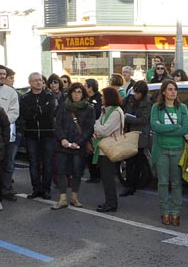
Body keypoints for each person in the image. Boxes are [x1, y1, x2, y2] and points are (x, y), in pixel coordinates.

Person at [150, 79, 188, 225]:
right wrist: (175, 128)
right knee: (162, 182)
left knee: (176, 183)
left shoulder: (182, 108)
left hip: (178, 149)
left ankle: (176, 212)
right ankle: (164, 212)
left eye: (175, 89)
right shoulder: (156, 108)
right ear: (163, 92)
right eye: (170, 89)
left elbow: (185, 129)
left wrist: (165, 129)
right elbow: (155, 126)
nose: (173, 92)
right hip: (161, 150)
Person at [52, 82, 94, 210]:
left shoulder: (89, 108)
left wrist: (79, 142)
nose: (76, 94)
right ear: (70, 93)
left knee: (77, 171)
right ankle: (62, 198)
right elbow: (57, 124)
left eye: (79, 92)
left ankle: (74, 197)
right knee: (61, 171)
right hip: (63, 144)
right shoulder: (64, 107)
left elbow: (89, 128)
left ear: (83, 94)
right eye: (74, 92)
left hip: (78, 145)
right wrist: (63, 138)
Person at [21, 72, 56, 199]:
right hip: (31, 134)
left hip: (47, 134)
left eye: (40, 80)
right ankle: (36, 188)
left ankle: (46, 189)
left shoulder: (49, 95)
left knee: (47, 162)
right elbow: (27, 115)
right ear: (30, 83)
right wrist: (40, 110)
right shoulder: (25, 98)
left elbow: (50, 110)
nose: (38, 82)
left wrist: (36, 110)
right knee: (33, 163)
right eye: (35, 80)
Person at [0, 64, 20, 200]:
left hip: (7, 133)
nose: (2, 76)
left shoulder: (11, 92)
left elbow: (14, 111)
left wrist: (2, 123)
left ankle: (7, 189)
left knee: (7, 163)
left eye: (4, 74)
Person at [93, 86, 125, 213]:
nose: (101, 98)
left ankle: (111, 203)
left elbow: (103, 130)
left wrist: (97, 126)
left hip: (109, 149)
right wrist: (98, 126)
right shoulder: (106, 110)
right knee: (106, 178)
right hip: (103, 148)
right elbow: (99, 126)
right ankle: (109, 201)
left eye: (103, 95)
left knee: (108, 178)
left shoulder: (116, 112)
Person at [121, 81, 151, 197]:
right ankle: (129, 185)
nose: (135, 95)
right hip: (129, 133)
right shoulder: (129, 99)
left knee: (138, 162)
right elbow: (121, 106)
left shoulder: (147, 103)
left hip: (139, 135)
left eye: (138, 93)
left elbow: (144, 120)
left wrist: (128, 118)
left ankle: (133, 185)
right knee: (129, 161)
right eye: (135, 91)